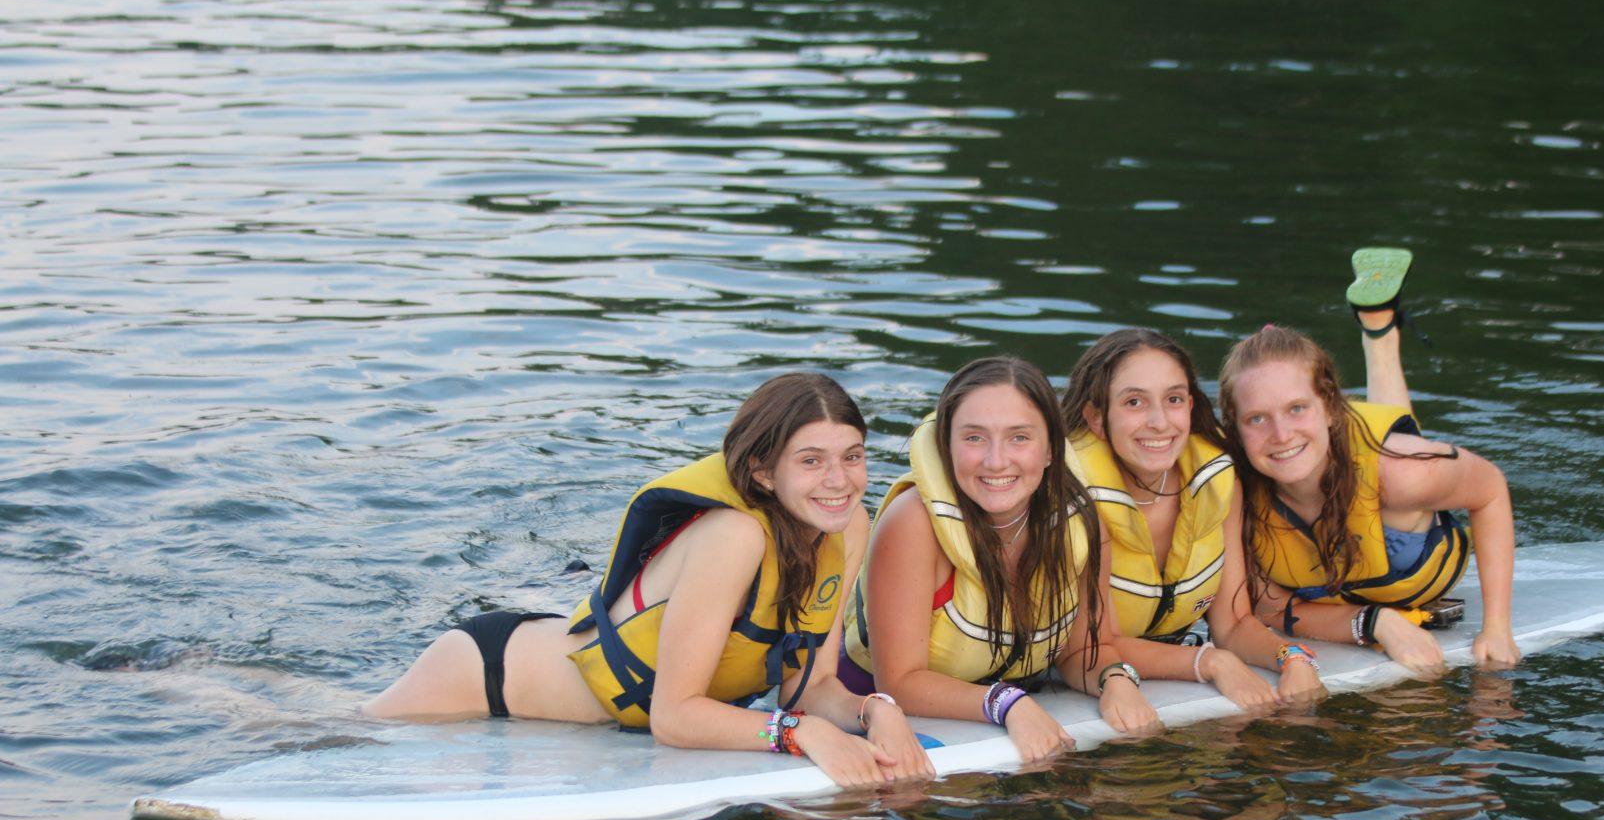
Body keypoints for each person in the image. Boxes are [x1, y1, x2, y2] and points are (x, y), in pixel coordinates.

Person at [364, 372, 935, 788]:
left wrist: (875, 710)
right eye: (811, 461)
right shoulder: (733, 536)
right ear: (762, 471)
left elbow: (808, 688)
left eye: (853, 456)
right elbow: (674, 717)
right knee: (320, 728)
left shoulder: (849, 527)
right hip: (483, 678)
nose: (839, 480)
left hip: (563, 662)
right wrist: (798, 734)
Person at [1217, 249, 1521, 674]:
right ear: (1234, 428)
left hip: (1398, 502)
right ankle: (1378, 322)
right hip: (1358, 471)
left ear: (1328, 406)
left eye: (1297, 409)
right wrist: (1376, 624)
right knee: (1376, 456)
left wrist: (1497, 627)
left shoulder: (1407, 475)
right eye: (1257, 419)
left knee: (1393, 457)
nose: (1280, 434)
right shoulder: (1235, 495)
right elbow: (1270, 609)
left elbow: (1489, 487)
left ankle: (1379, 332)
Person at [841, 357, 1162, 761]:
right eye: (974, 438)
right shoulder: (912, 524)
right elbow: (899, 682)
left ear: (1050, 451)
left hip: (1004, 707)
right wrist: (1009, 703)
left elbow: (1080, 651)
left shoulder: (1079, 521)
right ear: (946, 445)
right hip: (871, 717)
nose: (996, 461)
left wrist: (1114, 678)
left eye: (1019, 438)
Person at [1060, 329, 1325, 708]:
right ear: (1097, 418)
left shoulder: (1217, 483)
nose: (1159, 421)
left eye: (1173, 399)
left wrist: (1290, 657)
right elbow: (1088, 647)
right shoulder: (1075, 499)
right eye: (1134, 402)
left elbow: (1232, 624)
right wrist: (1209, 661)